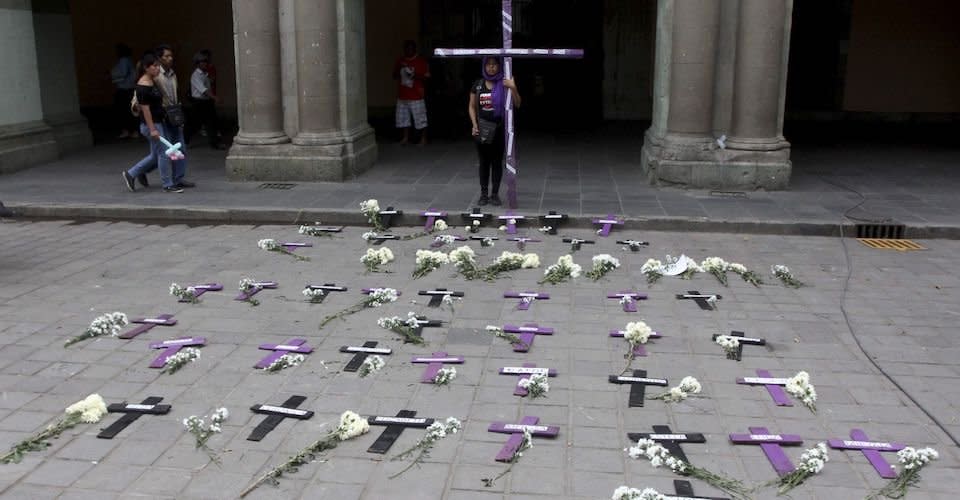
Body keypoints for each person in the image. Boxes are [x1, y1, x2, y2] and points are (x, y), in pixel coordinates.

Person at [122, 53, 184, 193]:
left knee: (155, 155)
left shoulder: (152, 81)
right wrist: (152, 129)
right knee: (164, 154)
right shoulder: (143, 86)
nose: (157, 69)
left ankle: (131, 174)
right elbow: (145, 110)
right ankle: (167, 184)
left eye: (158, 66)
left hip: (158, 123)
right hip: (152, 125)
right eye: (154, 66)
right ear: (146, 68)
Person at [468, 57, 521, 206]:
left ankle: (495, 195)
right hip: (482, 130)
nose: (491, 68)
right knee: (484, 162)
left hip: (498, 130)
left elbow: (517, 103)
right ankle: (484, 194)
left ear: (499, 67)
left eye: (494, 65)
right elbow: (471, 106)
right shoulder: (478, 85)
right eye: (489, 65)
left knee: (497, 162)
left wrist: (513, 87)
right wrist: (474, 124)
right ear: (484, 66)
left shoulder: (504, 84)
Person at [154, 44, 194, 188]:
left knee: (180, 148)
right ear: (159, 58)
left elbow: (175, 94)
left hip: (174, 114)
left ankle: (178, 178)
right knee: (163, 152)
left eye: (171, 56)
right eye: (167, 56)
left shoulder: (172, 74)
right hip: (163, 116)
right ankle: (135, 172)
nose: (170, 59)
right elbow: (141, 93)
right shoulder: (156, 75)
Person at [392, 40, 430, 145]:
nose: (408, 51)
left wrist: (414, 75)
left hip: (416, 95)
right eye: (406, 49)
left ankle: (423, 139)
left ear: (414, 49)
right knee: (403, 119)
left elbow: (427, 77)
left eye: (411, 48)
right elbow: (394, 76)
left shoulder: (420, 61)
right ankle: (405, 138)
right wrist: (400, 68)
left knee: (421, 118)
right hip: (403, 95)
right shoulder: (400, 61)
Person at [189, 51, 225, 149]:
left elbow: (208, 86)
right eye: (202, 61)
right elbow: (203, 90)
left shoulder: (205, 74)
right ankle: (185, 140)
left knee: (212, 122)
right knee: (195, 123)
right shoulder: (196, 75)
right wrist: (215, 97)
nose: (205, 63)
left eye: (206, 61)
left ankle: (214, 143)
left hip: (207, 101)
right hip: (199, 102)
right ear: (197, 63)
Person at [110, 43, 138, 139]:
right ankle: (132, 130)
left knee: (124, 111)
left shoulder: (123, 61)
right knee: (130, 110)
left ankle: (128, 130)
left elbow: (122, 73)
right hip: (129, 88)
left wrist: (111, 75)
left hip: (124, 89)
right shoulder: (129, 60)